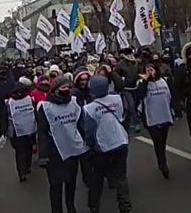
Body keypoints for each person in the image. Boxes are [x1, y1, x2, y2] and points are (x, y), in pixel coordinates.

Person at [38, 76, 89, 213]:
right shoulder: (45, 107)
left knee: (71, 181)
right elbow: (42, 132)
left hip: (73, 148)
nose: (67, 90)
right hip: (54, 152)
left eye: (69, 88)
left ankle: (70, 206)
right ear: (55, 90)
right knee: (56, 185)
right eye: (63, 88)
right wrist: (42, 155)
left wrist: (88, 143)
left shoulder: (73, 103)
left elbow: (81, 124)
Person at [84, 75, 132, 213]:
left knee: (97, 178)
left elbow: (89, 132)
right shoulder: (117, 99)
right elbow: (123, 115)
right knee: (121, 176)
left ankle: (94, 206)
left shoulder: (89, 109)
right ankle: (125, 206)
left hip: (102, 147)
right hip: (121, 141)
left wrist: (90, 148)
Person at [136, 63, 174, 179]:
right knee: (157, 141)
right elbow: (140, 95)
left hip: (165, 116)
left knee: (162, 141)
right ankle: (163, 164)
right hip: (151, 117)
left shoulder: (163, 81)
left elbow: (170, 96)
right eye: (147, 69)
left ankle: (161, 160)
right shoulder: (142, 83)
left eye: (151, 68)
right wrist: (146, 80)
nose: (149, 71)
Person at [1, 81, 36, 182]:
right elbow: (4, 117)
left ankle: (25, 169)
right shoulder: (9, 103)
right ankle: (23, 171)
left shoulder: (28, 100)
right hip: (19, 131)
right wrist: (4, 131)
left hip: (26, 131)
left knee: (24, 151)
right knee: (22, 151)